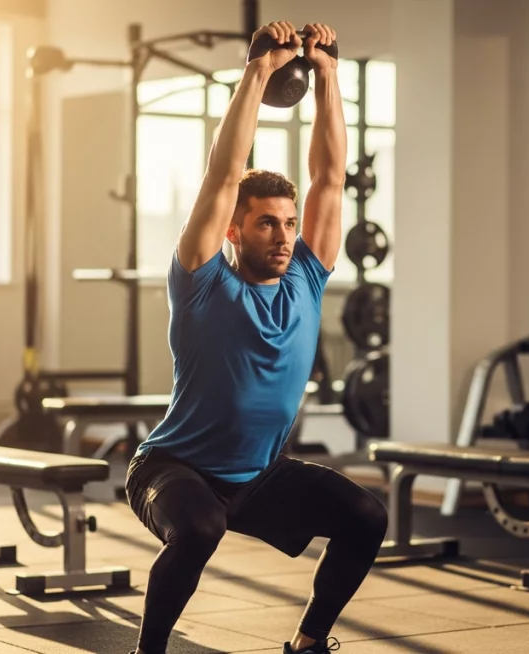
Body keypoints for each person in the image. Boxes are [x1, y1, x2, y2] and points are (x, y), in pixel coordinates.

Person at [124, 21, 386, 654]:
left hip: (259, 476)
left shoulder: (306, 280)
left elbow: (329, 175)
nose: (284, 235)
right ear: (235, 232)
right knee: (200, 527)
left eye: (289, 224)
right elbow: (223, 173)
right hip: (172, 469)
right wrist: (258, 72)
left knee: (366, 516)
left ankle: (308, 642)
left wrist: (327, 73)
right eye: (266, 224)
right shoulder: (201, 281)